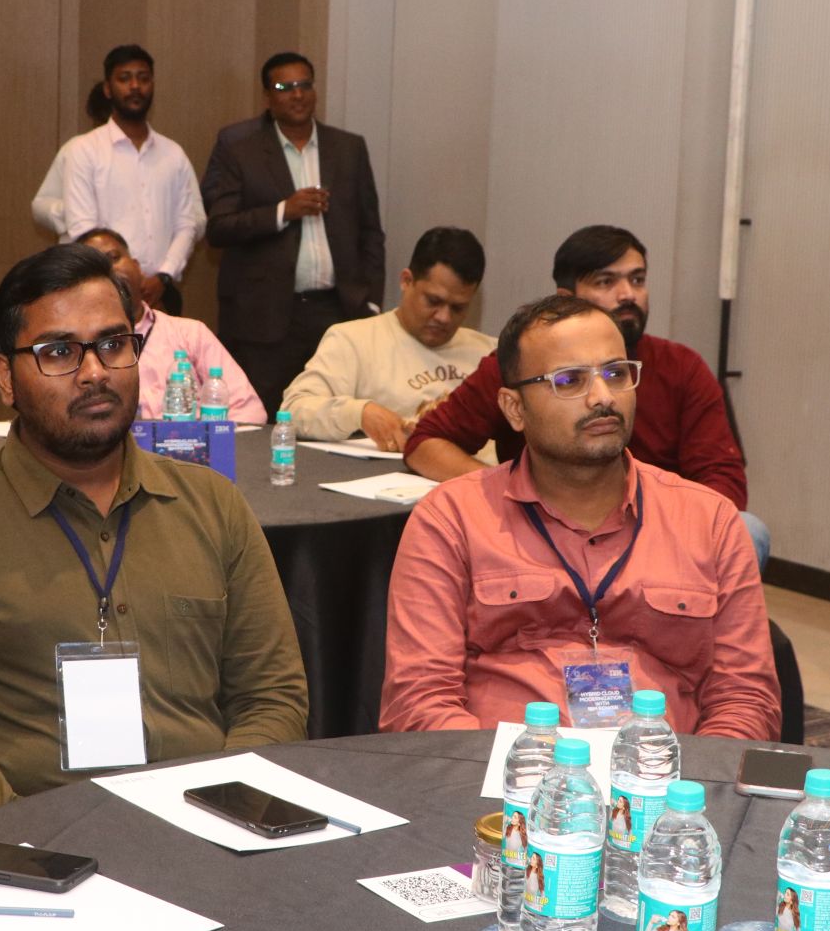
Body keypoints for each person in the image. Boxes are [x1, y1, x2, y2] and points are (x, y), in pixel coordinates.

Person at [0, 244, 307, 827]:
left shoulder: (213, 505)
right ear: (5, 377)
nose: (95, 372)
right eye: (59, 352)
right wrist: (39, 844)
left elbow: (273, 698)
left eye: (113, 344)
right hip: (30, 849)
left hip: (212, 832)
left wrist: (217, 819)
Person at [380, 295, 778, 737]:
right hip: (503, 771)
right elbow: (418, 701)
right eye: (569, 380)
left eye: (616, 374)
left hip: (662, 772)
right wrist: (504, 772)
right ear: (514, 409)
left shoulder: (710, 521)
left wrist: (689, 780)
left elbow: (746, 699)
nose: (603, 397)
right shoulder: (451, 520)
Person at [403, 225, 770, 571]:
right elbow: (427, 442)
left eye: (637, 279)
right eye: (606, 281)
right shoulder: (521, 366)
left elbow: (722, 483)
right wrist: (510, 497)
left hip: (661, 534)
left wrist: (653, 530)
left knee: (745, 530)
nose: (627, 294)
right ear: (566, 299)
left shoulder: (681, 366)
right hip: (540, 534)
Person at [203, 51, 386, 416]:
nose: (297, 94)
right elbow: (219, 227)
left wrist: (370, 302)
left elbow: (370, 232)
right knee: (262, 419)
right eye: (284, 87)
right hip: (266, 318)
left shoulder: (348, 148)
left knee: (336, 416)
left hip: (337, 312)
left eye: (304, 85)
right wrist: (282, 211)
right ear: (267, 98)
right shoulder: (242, 151)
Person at [280, 225, 491, 451]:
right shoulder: (352, 341)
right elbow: (293, 411)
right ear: (406, 281)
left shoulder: (490, 352)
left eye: (458, 308)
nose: (444, 317)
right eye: (433, 301)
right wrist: (360, 413)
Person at [59, 45, 204, 318]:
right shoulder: (84, 150)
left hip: (161, 292)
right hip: (104, 292)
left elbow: (187, 224)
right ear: (107, 88)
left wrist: (163, 276)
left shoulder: (173, 153)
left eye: (143, 78)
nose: (135, 86)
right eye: (124, 78)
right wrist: (127, 277)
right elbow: (83, 229)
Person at [77, 227, 263, 425]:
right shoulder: (76, 348)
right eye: (95, 268)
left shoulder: (190, 333)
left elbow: (249, 411)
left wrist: (205, 439)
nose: (109, 271)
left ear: (137, 267)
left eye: (114, 258)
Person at [33, 83, 114, 236]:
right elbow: (40, 207)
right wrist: (73, 209)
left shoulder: (153, 152)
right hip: (81, 246)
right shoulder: (76, 148)